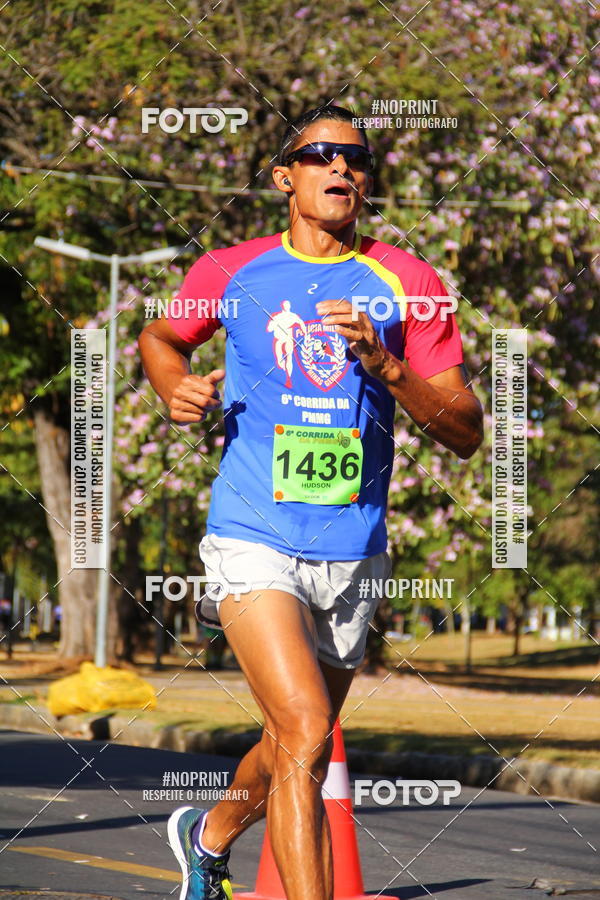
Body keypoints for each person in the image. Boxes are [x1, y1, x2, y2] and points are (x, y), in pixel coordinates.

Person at [139, 103, 483, 900]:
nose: (342, 170)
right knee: (303, 732)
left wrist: (387, 367)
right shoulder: (232, 270)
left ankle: (209, 833)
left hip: (354, 547)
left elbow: (465, 430)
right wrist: (173, 387)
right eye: (323, 156)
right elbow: (162, 338)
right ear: (284, 178)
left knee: (298, 738)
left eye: (357, 160)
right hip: (253, 529)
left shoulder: (411, 283)